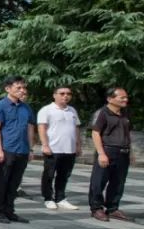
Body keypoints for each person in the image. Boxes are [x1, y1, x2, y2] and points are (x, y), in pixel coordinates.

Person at [0, 75, 36, 224]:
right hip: (7, 149)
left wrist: (30, 149)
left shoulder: (26, 107)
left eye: (24, 87)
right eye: (18, 88)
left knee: (14, 183)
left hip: (22, 150)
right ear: (8, 89)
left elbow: (29, 129)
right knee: (2, 181)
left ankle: (10, 210)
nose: (22, 90)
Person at [89, 88, 133, 222]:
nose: (125, 99)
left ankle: (113, 208)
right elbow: (95, 133)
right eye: (122, 97)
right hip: (107, 151)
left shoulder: (125, 113)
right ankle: (96, 208)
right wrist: (101, 153)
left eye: (126, 97)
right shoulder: (102, 113)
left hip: (123, 152)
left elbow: (127, 134)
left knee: (118, 182)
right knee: (99, 181)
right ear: (110, 99)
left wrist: (131, 151)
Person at [38, 86, 82, 210]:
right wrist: (45, 145)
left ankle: (61, 197)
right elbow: (42, 128)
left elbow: (76, 128)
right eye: (62, 93)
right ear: (54, 95)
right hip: (53, 149)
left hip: (69, 149)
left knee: (64, 175)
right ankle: (48, 198)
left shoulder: (72, 110)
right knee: (49, 175)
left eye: (68, 93)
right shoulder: (47, 110)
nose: (65, 96)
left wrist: (78, 145)